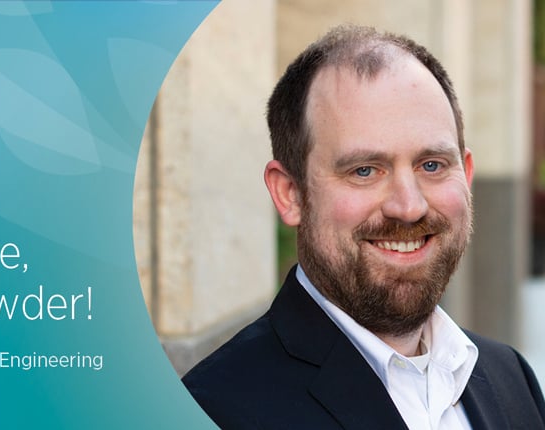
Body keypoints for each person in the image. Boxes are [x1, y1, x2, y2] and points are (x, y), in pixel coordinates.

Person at [182, 24, 545, 429]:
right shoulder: (211, 410)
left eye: (431, 165)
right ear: (290, 194)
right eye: (365, 170)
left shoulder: (512, 380)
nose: (408, 207)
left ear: (466, 173)